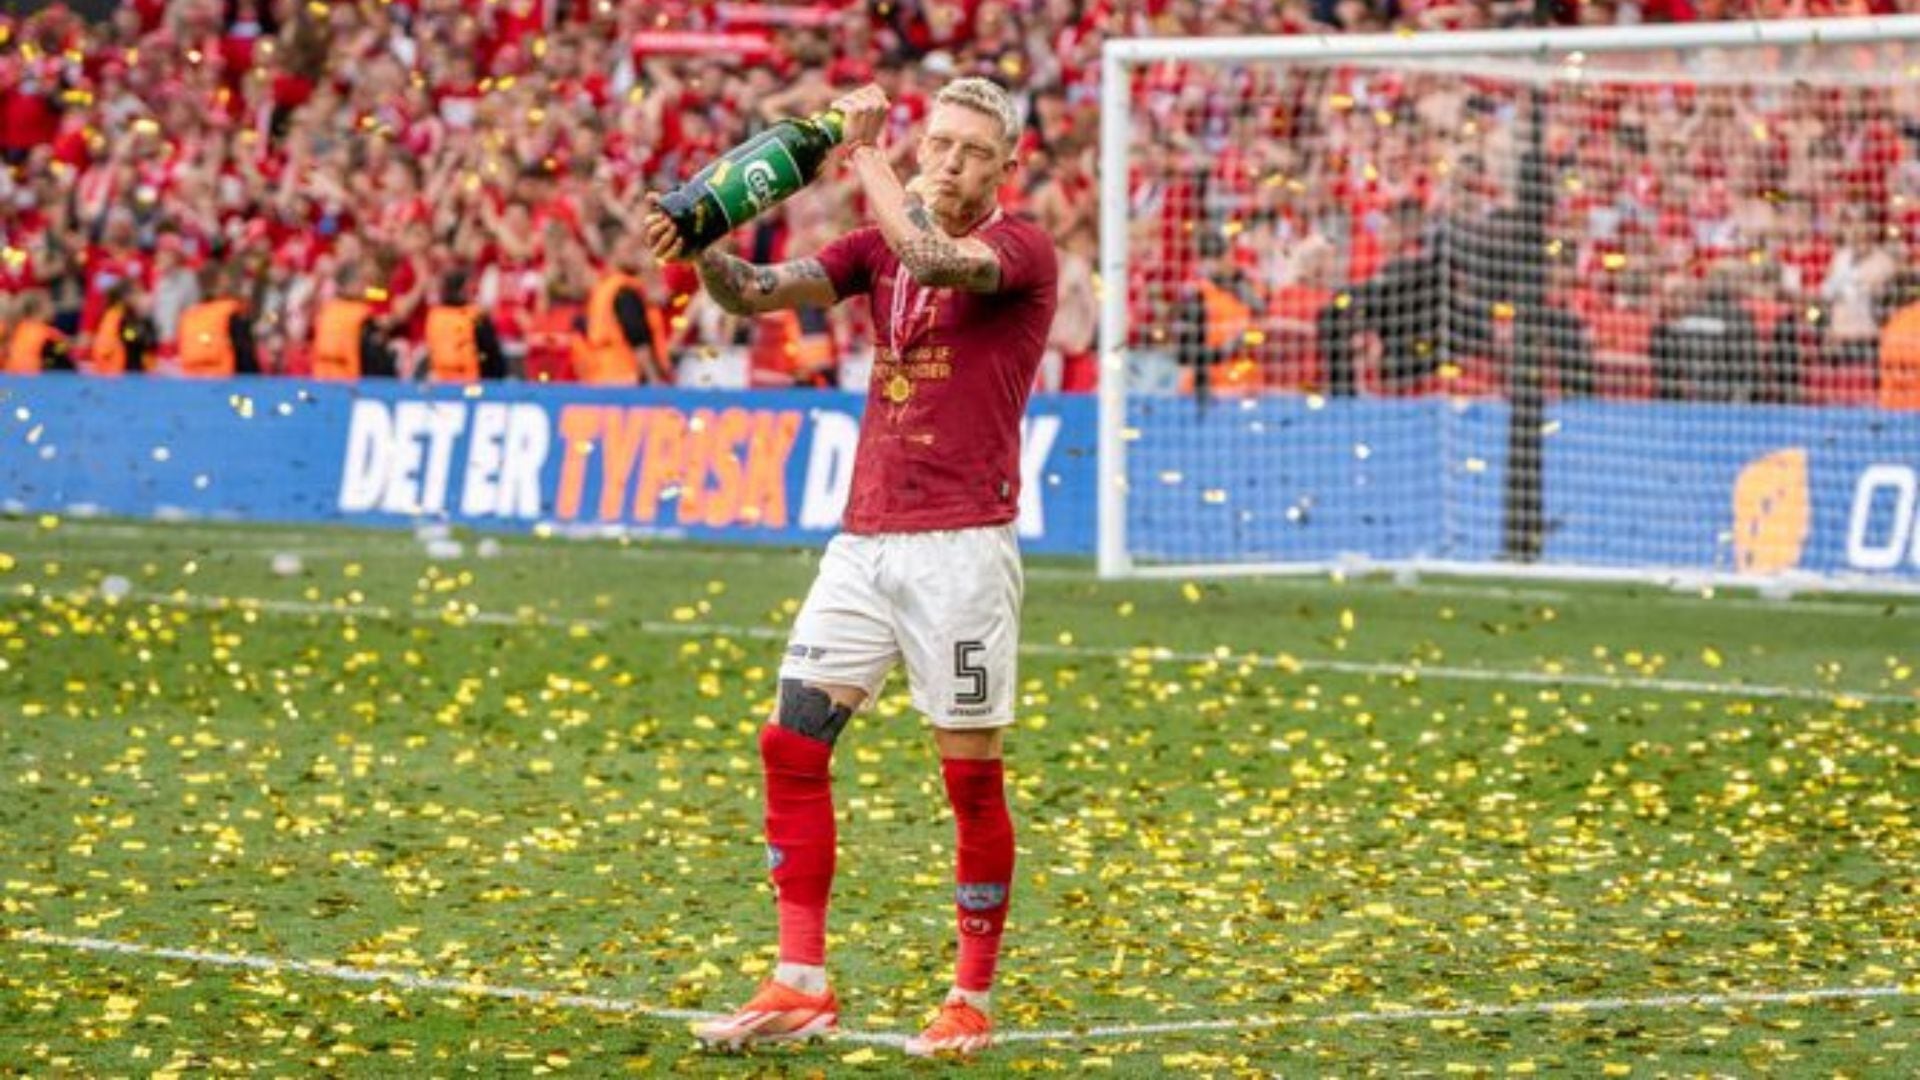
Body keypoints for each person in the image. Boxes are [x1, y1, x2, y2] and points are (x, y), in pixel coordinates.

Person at [644, 76, 1057, 1059]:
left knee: (969, 779)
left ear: (1006, 167)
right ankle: (799, 981)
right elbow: (752, 294)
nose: (948, 162)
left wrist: (862, 153)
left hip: (962, 546)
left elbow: (930, 252)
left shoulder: (1019, 249)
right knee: (791, 743)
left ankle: (971, 998)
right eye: (939, 143)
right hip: (866, 538)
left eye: (971, 151)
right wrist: (704, 226)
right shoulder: (874, 248)